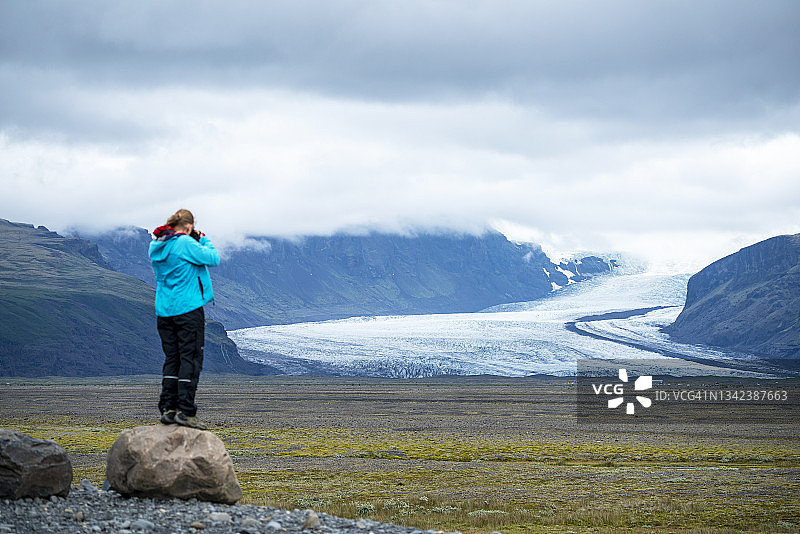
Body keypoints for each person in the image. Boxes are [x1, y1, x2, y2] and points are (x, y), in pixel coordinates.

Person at [149, 209, 220, 430]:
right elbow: (213, 258)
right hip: (187, 310)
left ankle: (168, 409)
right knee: (190, 359)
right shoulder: (185, 244)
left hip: (164, 311)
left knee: (173, 359)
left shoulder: (157, 246)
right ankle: (185, 412)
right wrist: (203, 239)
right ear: (188, 227)